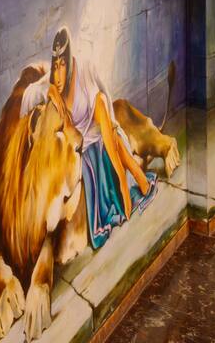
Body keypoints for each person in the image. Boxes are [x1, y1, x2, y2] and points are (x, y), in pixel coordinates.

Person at [23, 28, 152, 248]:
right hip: (79, 146)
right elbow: (26, 98)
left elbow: (105, 98)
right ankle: (134, 181)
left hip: (101, 132)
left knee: (104, 114)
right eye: (55, 66)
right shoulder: (52, 81)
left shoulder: (85, 70)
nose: (58, 72)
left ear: (70, 62)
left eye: (62, 65)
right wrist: (49, 91)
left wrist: (113, 125)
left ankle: (127, 182)